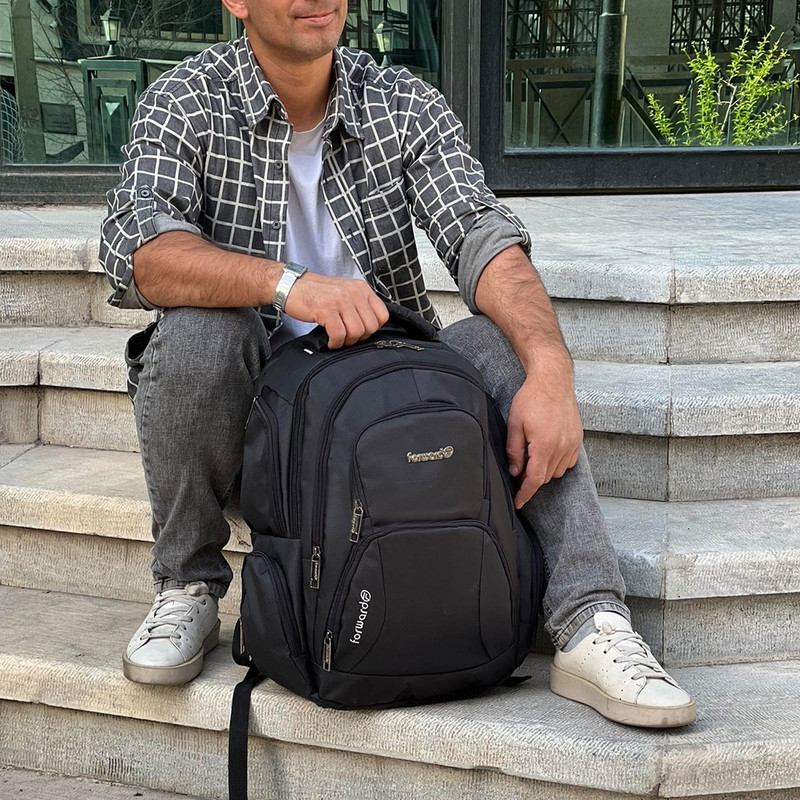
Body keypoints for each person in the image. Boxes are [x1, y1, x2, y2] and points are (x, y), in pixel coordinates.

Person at [99, 0, 696, 729]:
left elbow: (479, 232)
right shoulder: (186, 100)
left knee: (496, 344)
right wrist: (287, 285)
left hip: (381, 401)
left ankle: (589, 619)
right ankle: (187, 585)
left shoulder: (399, 99)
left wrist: (552, 371)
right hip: (261, 428)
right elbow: (141, 252)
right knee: (199, 332)